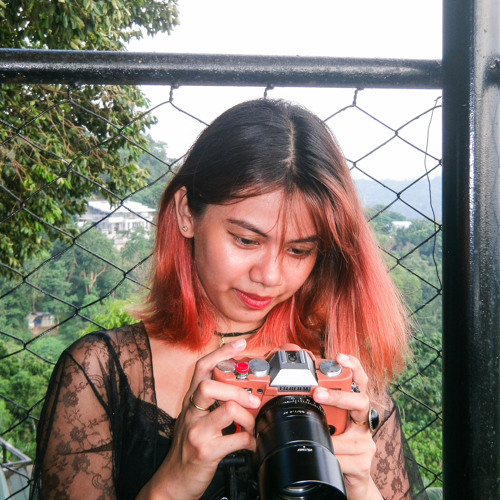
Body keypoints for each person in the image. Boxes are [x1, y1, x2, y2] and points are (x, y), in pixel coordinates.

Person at [30, 98, 428, 500]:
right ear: (187, 214)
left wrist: (360, 486)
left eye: (299, 250)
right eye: (246, 240)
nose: (269, 276)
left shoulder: (342, 382)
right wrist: (172, 483)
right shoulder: (99, 374)